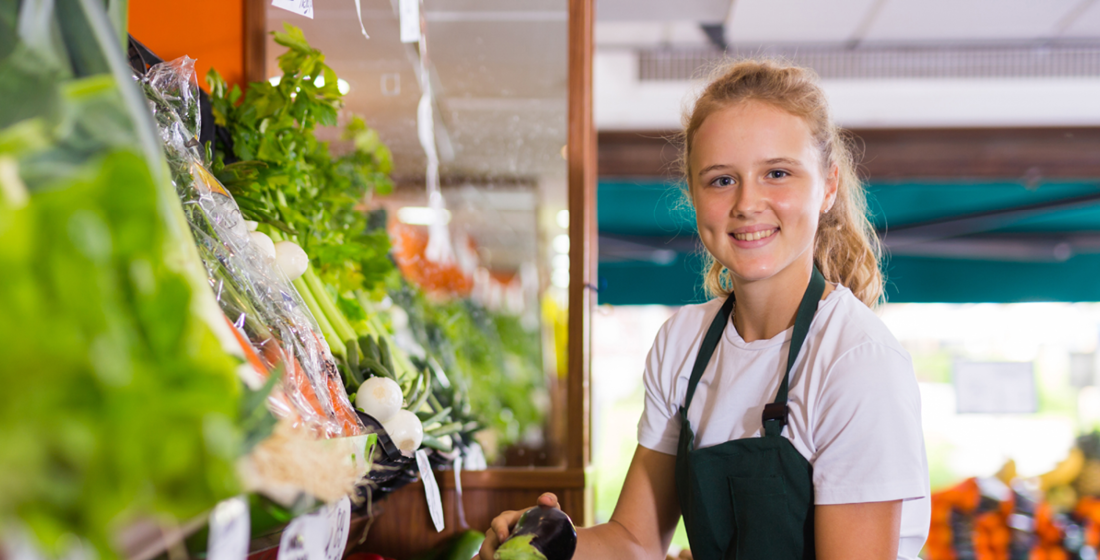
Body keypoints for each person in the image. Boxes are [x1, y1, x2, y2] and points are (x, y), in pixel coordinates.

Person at [479, 59, 930, 560]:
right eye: (721, 180)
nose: (747, 203)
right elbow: (636, 540)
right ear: (692, 194)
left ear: (827, 187)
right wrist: (547, 544)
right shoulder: (684, 344)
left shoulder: (855, 360)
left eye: (777, 173)